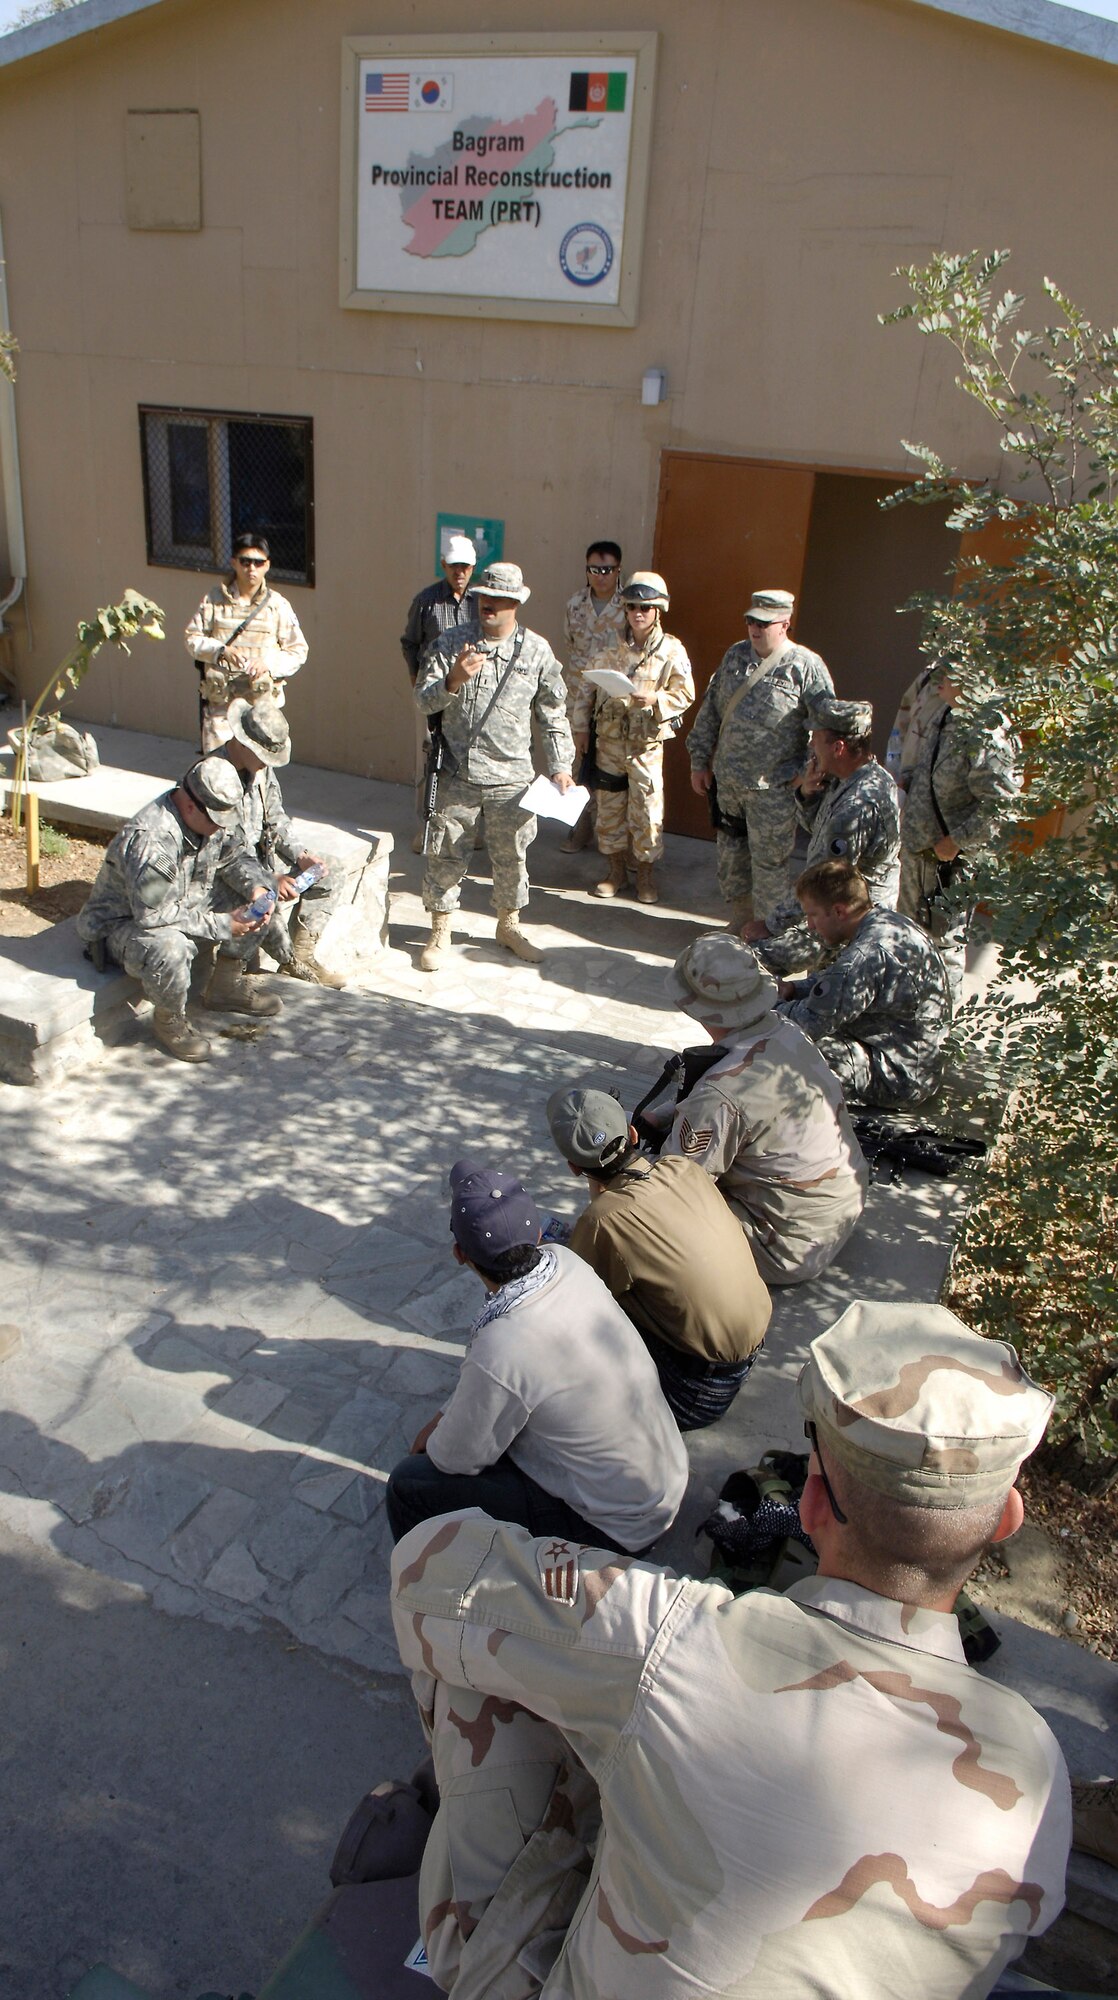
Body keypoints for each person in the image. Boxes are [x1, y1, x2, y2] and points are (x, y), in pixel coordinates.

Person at [390, 1299, 1069, 1998]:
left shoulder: (677, 1636)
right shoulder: (1037, 1772)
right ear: (1005, 1522)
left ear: (808, 1507)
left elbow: (427, 1569)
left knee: (491, 1646)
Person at [384, 1158, 689, 1552]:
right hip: (666, 1484)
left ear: (461, 1254)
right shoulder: (568, 1263)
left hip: (616, 1530)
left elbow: (456, 1459)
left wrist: (439, 1435)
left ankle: (433, 1591)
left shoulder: (502, 1343)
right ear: (539, 1232)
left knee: (410, 1484)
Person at [545, 1085, 770, 1428]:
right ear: (633, 1133)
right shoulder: (683, 1168)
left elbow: (577, 1300)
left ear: (573, 1167)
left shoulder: (602, 1221)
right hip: (744, 1359)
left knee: (562, 1290)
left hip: (692, 1394)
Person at [652, 933, 868, 1284]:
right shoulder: (785, 1030)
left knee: (638, 1214)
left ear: (689, 1003)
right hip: (839, 1209)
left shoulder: (719, 1094)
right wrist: (664, 1116)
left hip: (784, 1249)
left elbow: (675, 1191)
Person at [414, 561, 575, 970]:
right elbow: (422, 701)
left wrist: (560, 765)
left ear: (516, 604)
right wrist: (452, 680)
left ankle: (509, 925)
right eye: (485, 597)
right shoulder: (452, 643)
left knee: (512, 856)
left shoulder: (537, 651)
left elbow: (554, 714)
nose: (490, 605)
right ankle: (440, 929)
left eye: (500, 600)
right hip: (457, 772)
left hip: (512, 779)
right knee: (446, 852)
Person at [76, 756, 277, 1063]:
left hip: (182, 900)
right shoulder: (153, 839)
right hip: (124, 925)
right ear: (189, 806)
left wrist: (257, 889)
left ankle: (226, 986)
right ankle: (170, 1021)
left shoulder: (208, 818)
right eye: (215, 820)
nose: (219, 828)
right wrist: (224, 925)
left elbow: (234, 856)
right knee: (170, 947)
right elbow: (152, 916)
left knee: (261, 895)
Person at [687, 587, 833, 927]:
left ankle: (769, 930)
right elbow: (711, 711)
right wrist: (699, 761)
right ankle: (741, 920)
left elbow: (824, 728)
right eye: (751, 621)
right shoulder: (735, 657)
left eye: (765, 623)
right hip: (730, 786)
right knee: (731, 860)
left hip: (773, 792)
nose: (755, 628)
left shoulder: (805, 667)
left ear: (785, 623)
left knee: (769, 866)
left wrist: (803, 772)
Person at [778, 859, 952, 1107]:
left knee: (785, 1048)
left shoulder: (867, 955)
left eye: (813, 915)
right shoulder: (888, 923)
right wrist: (795, 989)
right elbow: (836, 983)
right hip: (915, 1059)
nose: (810, 925)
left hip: (898, 1077)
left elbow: (808, 1022)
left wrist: (768, 1004)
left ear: (839, 911)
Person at [745, 696, 900, 975]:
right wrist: (807, 794)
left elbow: (823, 880)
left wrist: (771, 925)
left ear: (838, 747)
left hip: (848, 923)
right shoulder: (866, 777)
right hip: (846, 911)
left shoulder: (857, 806)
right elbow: (819, 830)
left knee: (765, 970)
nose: (811, 746)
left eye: (816, 739)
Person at [570, 571, 694, 905]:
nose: (638, 613)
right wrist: (580, 729)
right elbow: (585, 692)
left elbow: (685, 693)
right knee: (610, 811)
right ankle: (615, 872)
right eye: (632, 607)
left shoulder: (671, 651)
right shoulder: (611, 651)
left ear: (658, 612)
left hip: (645, 747)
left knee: (647, 813)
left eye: (646, 607)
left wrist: (656, 701)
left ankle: (646, 876)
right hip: (608, 745)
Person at [898, 668, 1021, 996]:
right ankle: (911, 1009)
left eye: (950, 674)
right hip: (918, 854)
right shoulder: (947, 714)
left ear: (974, 679)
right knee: (910, 934)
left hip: (948, 863)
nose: (940, 680)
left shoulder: (987, 732)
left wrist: (957, 841)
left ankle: (942, 1021)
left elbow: (1003, 806)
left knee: (943, 943)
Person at [217, 697, 346, 988]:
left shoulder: (259, 770)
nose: (267, 763)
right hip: (227, 876)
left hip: (260, 867)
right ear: (245, 743)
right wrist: (271, 878)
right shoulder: (215, 775)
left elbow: (275, 817)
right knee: (262, 906)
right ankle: (228, 979)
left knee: (330, 871)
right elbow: (223, 852)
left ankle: (301, 955)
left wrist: (301, 857)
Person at [184, 533, 308, 752]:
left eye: (258, 563)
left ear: (267, 566)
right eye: (245, 561)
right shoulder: (213, 600)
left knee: (260, 772)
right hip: (221, 707)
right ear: (234, 563)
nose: (252, 568)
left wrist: (268, 663)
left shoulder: (276, 605)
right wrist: (220, 651)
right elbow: (192, 639)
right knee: (217, 772)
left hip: (260, 708)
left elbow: (298, 650)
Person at [400, 535, 477, 855]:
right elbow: (410, 643)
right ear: (443, 565)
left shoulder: (481, 601)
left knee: (472, 760)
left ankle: (472, 830)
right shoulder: (427, 601)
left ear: (473, 568)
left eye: (465, 566)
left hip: (472, 693)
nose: (459, 571)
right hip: (435, 690)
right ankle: (426, 827)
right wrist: (417, 680)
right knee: (431, 756)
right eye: (453, 565)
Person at [560, 538, 628, 852]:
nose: (600, 575)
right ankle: (580, 828)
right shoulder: (575, 603)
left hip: (614, 700)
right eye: (594, 569)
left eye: (607, 569)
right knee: (576, 762)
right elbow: (570, 643)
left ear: (618, 570)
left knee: (611, 766)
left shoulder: (630, 606)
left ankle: (610, 835)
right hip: (577, 696)